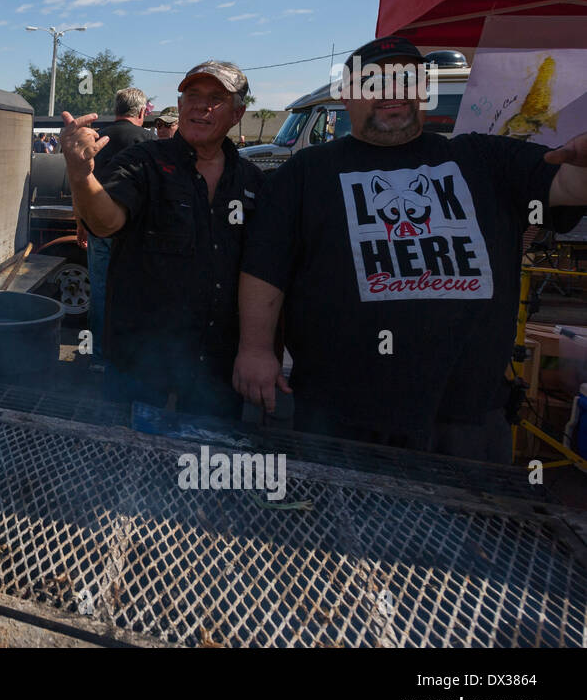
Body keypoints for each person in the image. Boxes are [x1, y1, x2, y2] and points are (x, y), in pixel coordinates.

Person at [233, 35, 587, 462]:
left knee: (469, 528)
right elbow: (265, 264)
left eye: (404, 78)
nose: (390, 91)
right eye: (373, 82)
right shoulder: (306, 171)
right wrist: (254, 349)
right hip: (341, 409)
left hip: (467, 414)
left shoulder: (484, 157)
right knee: (339, 522)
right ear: (347, 96)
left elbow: (567, 185)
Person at [63, 61, 264, 419]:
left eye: (216, 98)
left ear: (238, 114)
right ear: (181, 104)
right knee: (123, 459)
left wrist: (259, 349)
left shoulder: (251, 180)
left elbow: (263, 273)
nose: (201, 105)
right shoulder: (144, 162)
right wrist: (81, 176)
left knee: (207, 462)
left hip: (215, 367)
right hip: (141, 363)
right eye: (192, 96)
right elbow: (106, 222)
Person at [80, 87, 151, 366]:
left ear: (117, 108)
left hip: (98, 228)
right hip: (135, 232)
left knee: (99, 290)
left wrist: (81, 222)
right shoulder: (149, 141)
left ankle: (98, 356)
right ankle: (128, 358)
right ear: (142, 112)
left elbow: (81, 186)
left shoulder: (98, 138)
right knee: (134, 292)